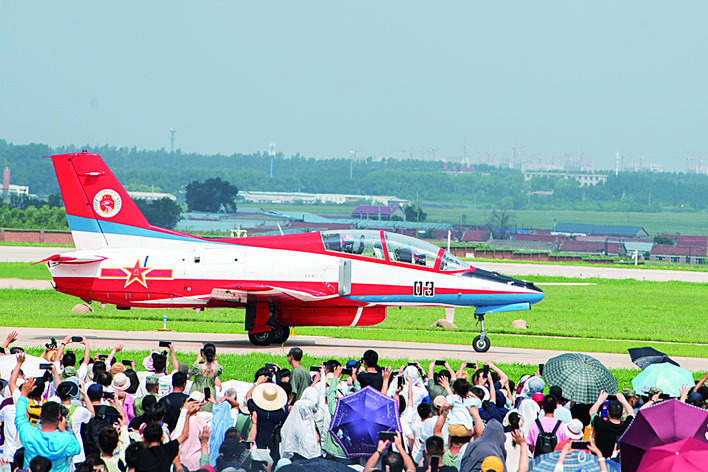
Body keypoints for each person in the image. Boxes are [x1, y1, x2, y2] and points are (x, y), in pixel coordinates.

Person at [15, 377, 81, 472]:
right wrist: (64, 429)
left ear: (40, 416)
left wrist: (23, 394)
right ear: (59, 417)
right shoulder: (65, 438)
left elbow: (20, 418)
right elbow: (76, 449)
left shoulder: (29, 434)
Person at [135, 400, 200, 472]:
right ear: (162, 438)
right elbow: (184, 435)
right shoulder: (167, 450)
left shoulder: (140, 455)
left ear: (143, 439)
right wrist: (187, 415)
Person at [589, 391, 634, 459]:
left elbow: (592, 412)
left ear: (608, 413)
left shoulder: (601, 424)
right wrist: (624, 401)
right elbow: (631, 414)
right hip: (619, 462)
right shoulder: (626, 426)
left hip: (602, 461)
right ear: (622, 413)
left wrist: (600, 400)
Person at [189, 343, 222, 413]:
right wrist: (214, 358)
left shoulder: (198, 367)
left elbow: (190, 371)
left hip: (197, 390)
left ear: (203, 353)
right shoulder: (217, 368)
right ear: (214, 354)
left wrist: (197, 360)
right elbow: (218, 366)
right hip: (210, 392)